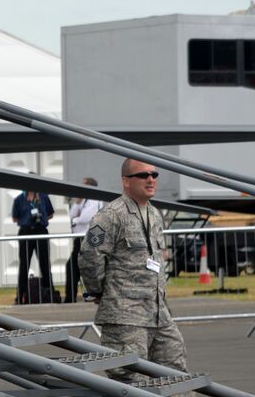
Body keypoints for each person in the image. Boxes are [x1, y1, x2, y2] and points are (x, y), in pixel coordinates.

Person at [79, 159, 187, 382]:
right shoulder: (110, 215)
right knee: (129, 379)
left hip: (159, 314)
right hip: (125, 317)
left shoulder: (154, 214)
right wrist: (98, 291)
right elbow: (90, 256)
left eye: (154, 175)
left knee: (175, 374)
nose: (150, 179)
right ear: (126, 181)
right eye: (143, 175)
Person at [11, 189, 55, 303]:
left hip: (40, 230)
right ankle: (20, 296)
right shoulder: (20, 199)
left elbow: (50, 214)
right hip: (26, 231)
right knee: (24, 265)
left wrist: (41, 218)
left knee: (45, 264)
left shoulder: (44, 197)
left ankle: (50, 294)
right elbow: (15, 218)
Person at [64, 179, 104, 303]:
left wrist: (76, 220)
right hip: (79, 238)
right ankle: (70, 296)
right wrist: (77, 203)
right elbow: (71, 215)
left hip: (89, 238)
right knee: (72, 266)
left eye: (83, 185)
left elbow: (85, 218)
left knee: (84, 266)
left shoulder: (95, 201)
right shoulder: (82, 200)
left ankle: (91, 293)